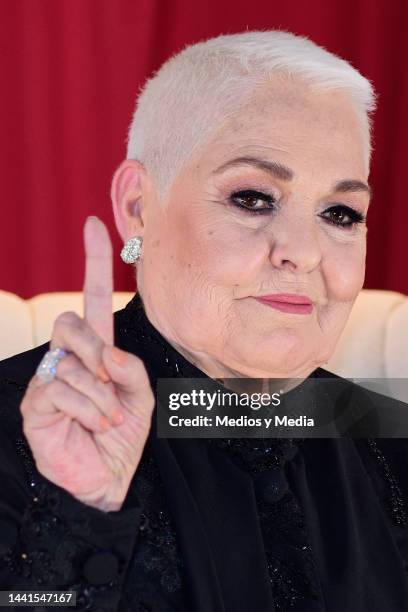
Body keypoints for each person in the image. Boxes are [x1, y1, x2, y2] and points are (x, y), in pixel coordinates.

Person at [1, 29, 408, 612]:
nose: (305, 251)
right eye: (253, 198)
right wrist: (77, 516)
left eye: (340, 213)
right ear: (138, 206)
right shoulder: (15, 434)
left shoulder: (391, 441)